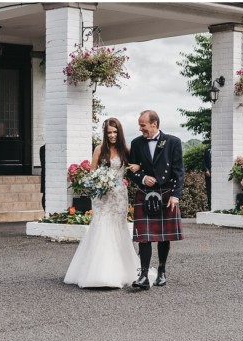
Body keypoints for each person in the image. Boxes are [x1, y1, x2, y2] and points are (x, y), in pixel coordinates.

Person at [64, 117, 142, 288]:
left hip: (119, 196)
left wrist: (137, 167)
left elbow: (137, 166)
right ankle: (97, 272)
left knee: (118, 228)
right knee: (101, 226)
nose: (112, 135)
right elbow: (92, 174)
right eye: (109, 132)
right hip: (102, 197)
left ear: (119, 132)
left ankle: (121, 271)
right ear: (105, 134)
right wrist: (100, 180)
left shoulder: (125, 151)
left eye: (115, 132)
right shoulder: (99, 150)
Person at [128, 110, 185, 290]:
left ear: (154, 124)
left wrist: (176, 195)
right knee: (144, 237)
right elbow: (132, 170)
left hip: (166, 191)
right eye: (139, 124)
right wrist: (143, 178)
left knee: (162, 236)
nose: (140, 128)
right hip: (145, 192)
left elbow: (178, 171)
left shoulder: (172, 142)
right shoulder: (136, 143)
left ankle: (161, 271)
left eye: (143, 125)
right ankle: (144, 275)